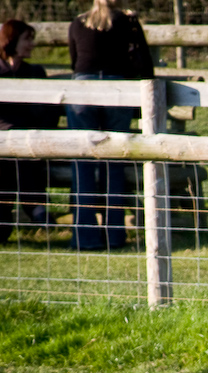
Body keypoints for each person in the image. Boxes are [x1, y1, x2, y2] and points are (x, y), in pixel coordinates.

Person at [67, 0, 153, 250]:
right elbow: (144, 60)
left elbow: (75, 61)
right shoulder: (127, 22)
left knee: (82, 163)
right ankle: (114, 234)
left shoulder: (78, 22)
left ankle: (85, 236)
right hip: (118, 90)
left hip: (82, 90)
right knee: (114, 161)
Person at [0, 19, 60, 245]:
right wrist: (11, 131)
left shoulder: (35, 72)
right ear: (12, 41)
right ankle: (35, 206)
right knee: (12, 154)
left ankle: (2, 222)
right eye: (27, 39)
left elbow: (49, 110)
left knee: (14, 160)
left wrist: (35, 133)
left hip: (30, 141)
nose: (32, 45)